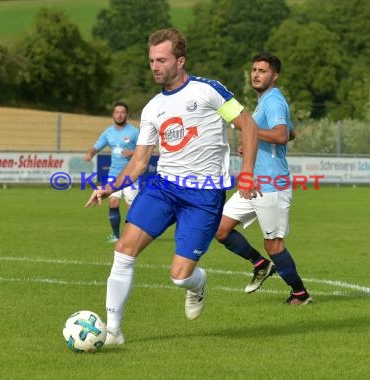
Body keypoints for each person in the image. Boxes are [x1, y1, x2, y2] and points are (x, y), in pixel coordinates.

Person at [85, 28, 259, 345]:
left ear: (180, 61)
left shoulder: (208, 91)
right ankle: (113, 332)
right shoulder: (152, 109)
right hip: (164, 187)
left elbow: (246, 124)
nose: (154, 66)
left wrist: (246, 173)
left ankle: (197, 283)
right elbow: (139, 162)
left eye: (161, 60)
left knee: (179, 277)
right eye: (151, 60)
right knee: (123, 250)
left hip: (204, 196)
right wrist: (110, 187)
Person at [214, 52, 312, 305]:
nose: (256, 75)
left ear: (275, 76)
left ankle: (300, 294)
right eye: (254, 70)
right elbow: (290, 133)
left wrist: (251, 132)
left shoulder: (274, 101)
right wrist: (252, 142)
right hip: (254, 184)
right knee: (220, 229)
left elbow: (280, 135)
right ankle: (260, 265)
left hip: (272, 184)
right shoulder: (264, 102)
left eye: (263, 71)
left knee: (274, 244)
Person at [84, 102, 139, 243]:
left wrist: (132, 152)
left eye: (122, 112)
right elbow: (96, 146)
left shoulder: (134, 132)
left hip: (131, 175)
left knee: (131, 207)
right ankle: (116, 236)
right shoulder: (108, 133)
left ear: (127, 114)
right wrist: (90, 153)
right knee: (113, 202)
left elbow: (145, 150)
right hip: (114, 174)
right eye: (116, 112)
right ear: (113, 114)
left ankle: (132, 236)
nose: (119, 115)